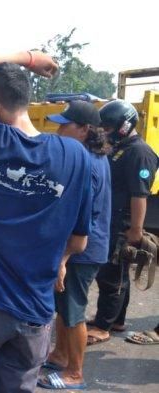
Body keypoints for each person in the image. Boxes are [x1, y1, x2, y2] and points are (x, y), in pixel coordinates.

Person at [0, 51, 93, 393]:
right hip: (35, 310)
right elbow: (80, 241)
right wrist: (59, 259)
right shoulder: (76, 156)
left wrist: (28, 57)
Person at [37, 101, 111, 390]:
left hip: (81, 251)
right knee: (64, 307)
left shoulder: (88, 163)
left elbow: (83, 218)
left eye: (65, 125)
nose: (58, 130)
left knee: (73, 311)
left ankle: (75, 373)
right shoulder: (91, 156)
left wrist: (63, 259)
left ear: (83, 130)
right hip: (82, 247)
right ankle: (59, 355)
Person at [87, 99, 159, 345]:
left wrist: (136, 231)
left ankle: (103, 326)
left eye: (108, 126)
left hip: (123, 223)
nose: (104, 130)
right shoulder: (121, 147)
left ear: (124, 125)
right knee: (117, 273)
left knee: (112, 275)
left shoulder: (140, 152)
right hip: (111, 219)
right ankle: (116, 319)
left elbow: (140, 196)